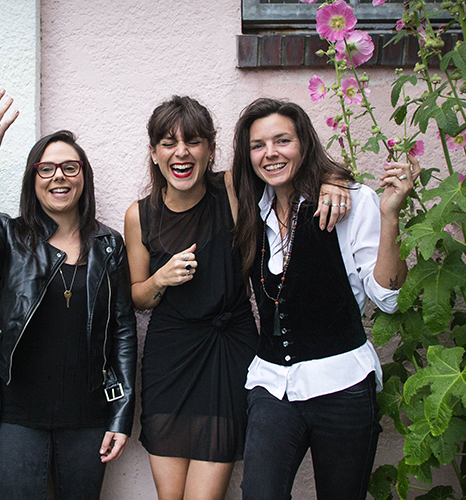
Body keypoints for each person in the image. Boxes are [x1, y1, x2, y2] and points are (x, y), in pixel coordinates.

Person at [123, 96, 350, 500]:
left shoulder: (230, 188)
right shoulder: (140, 214)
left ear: (210, 149)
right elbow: (137, 295)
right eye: (168, 143)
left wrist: (334, 179)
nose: (181, 152)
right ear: (154, 152)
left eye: (193, 141)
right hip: (168, 359)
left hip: (229, 352)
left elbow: (291, 171)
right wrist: (160, 278)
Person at [231, 97, 419, 500]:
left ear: (304, 144)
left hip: (342, 385)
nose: (271, 153)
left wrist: (389, 216)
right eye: (258, 145)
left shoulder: (351, 202)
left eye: (283, 140)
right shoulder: (251, 210)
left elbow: (388, 297)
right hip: (272, 384)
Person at [0, 89, 137, 499]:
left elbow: (123, 332)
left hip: (88, 418)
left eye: (69, 167)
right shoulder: (11, 236)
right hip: (16, 418)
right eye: (46, 169)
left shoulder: (109, 245)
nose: (59, 176)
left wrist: (121, 415)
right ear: (33, 179)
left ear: (83, 177)